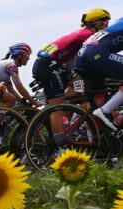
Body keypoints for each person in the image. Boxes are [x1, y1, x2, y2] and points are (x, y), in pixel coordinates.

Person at [32, 8, 110, 146]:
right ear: (95, 23)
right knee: (57, 106)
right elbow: (94, 57)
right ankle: (60, 142)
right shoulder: (88, 35)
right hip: (49, 65)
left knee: (80, 86)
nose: (107, 25)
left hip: (52, 65)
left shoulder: (83, 33)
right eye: (104, 22)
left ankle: (67, 108)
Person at [76, 17, 123, 131]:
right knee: (100, 108)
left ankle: (95, 139)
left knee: (98, 99)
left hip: (83, 56)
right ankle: (105, 111)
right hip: (97, 52)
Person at [0, 43, 41, 107]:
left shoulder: (7, 65)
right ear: (19, 56)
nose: (28, 59)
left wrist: (23, 102)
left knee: (7, 95)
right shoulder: (12, 66)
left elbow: (11, 90)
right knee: (11, 100)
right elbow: (20, 87)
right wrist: (34, 102)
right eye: (27, 56)